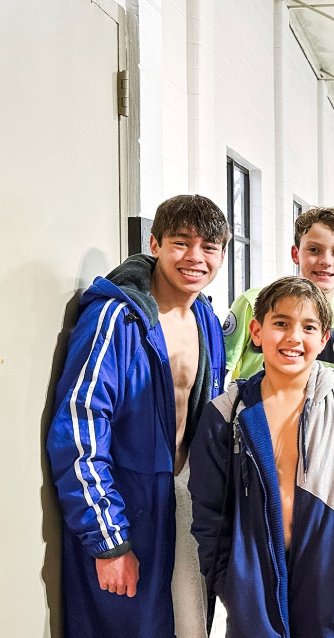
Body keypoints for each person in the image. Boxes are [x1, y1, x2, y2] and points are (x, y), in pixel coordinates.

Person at [46, 195, 230, 638]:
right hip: (127, 507)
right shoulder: (115, 318)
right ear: (155, 243)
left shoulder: (206, 317)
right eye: (181, 242)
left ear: (222, 254)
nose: (194, 257)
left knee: (191, 628)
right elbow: (79, 427)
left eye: (208, 247)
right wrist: (108, 540)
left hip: (184, 504)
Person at [189, 276, 334, 638]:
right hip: (251, 595)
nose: (293, 337)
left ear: (323, 340)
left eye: (308, 327)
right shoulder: (224, 415)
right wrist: (229, 581)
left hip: (331, 592)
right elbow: (208, 511)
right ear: (256, 331)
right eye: (281, 323)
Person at [224, 206, 334, 385]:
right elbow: (218, 368)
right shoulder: (252, 302)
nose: (326, 261)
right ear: (296, 254)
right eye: (314, 250)